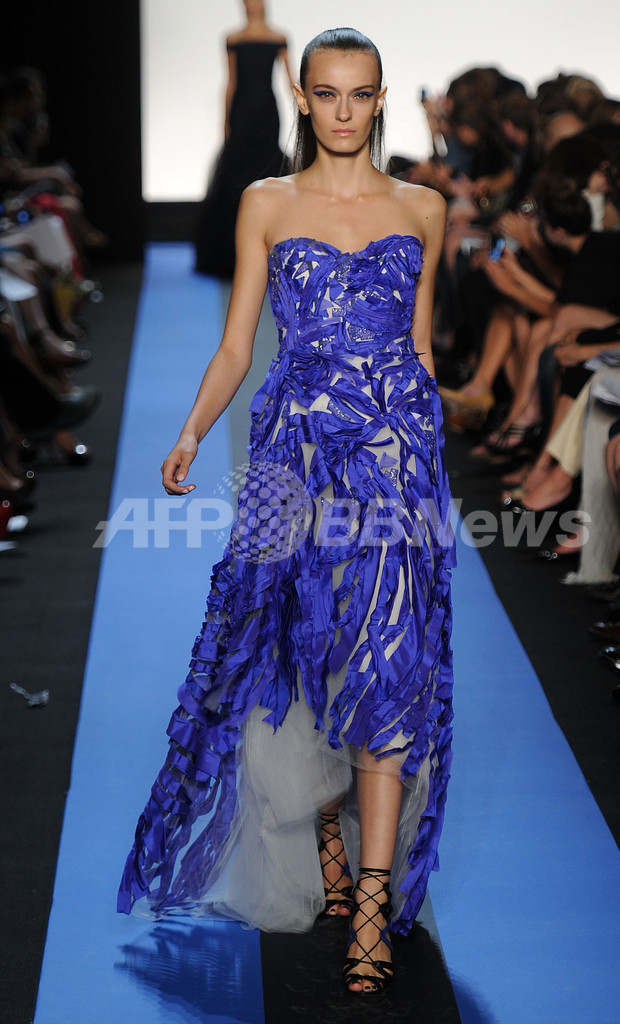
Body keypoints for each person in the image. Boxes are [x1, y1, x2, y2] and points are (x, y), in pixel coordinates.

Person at [118, 27, 455, 997]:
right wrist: (191, 431)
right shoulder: (265, 203)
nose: (344, 110)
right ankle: (328, 843)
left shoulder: (424, 208)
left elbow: (422, 348)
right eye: (328, 93)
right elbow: (239, 343)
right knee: (297, 655)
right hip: (291, 462)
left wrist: (431, 469)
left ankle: (373, 907)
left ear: (380, 98)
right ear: (302, 99)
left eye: (360, 93)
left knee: (388, 666)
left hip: (394, 465)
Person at [194, 0, 294, 279]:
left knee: (267, 169)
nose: (251, 4)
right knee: (236, 174)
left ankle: (274, 246)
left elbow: (290, 79)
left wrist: (307, 108)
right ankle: (231, 255)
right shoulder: (233, 39)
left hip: (267, 112)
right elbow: (231, 81)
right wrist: (225, 120)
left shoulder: (279, 37)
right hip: (242, 112)